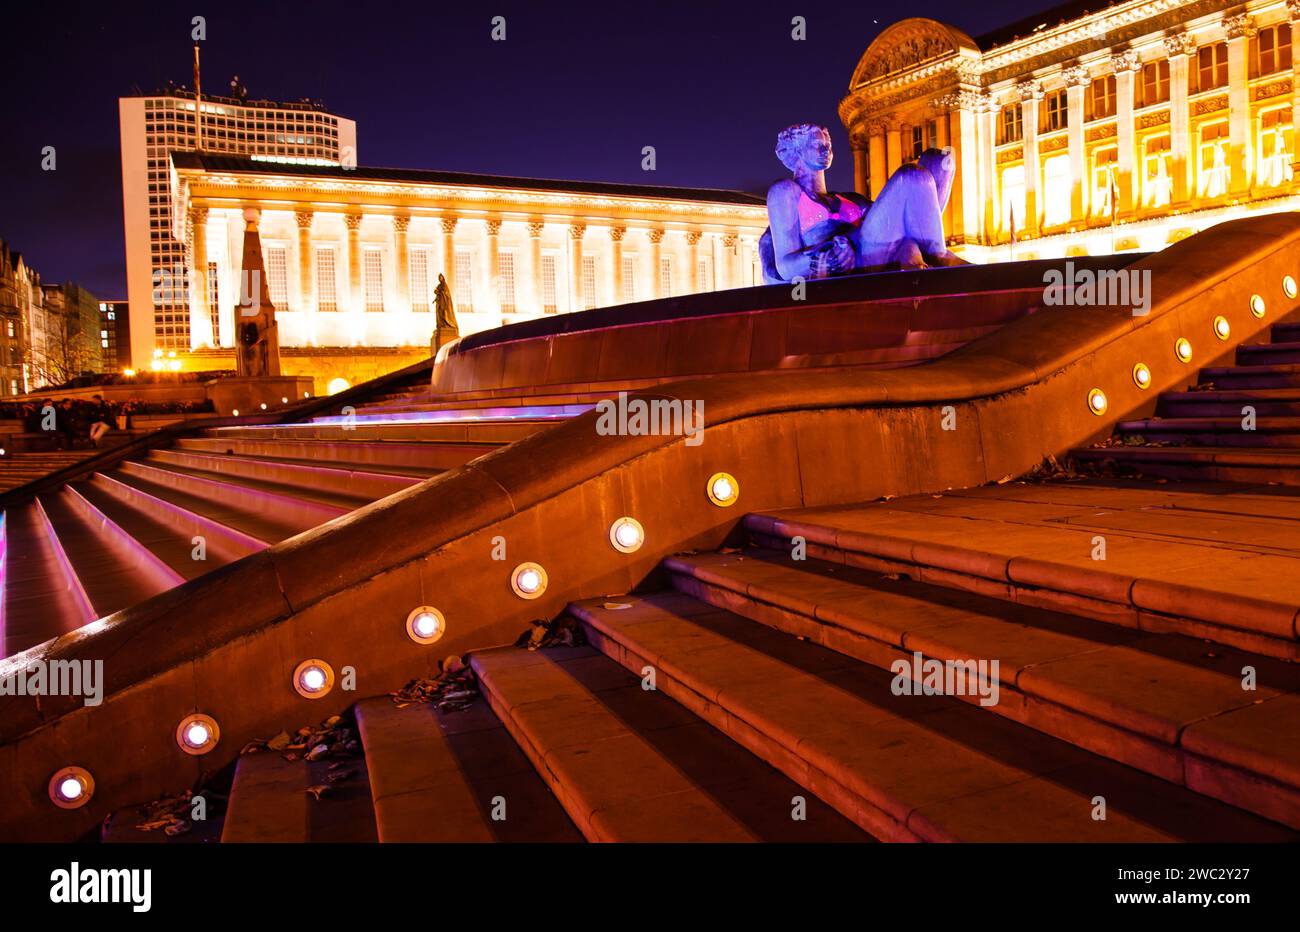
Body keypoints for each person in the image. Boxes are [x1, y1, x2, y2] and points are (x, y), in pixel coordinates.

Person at [760, 123, 968, 283]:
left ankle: (930, 254)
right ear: (796, 151)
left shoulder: (849, 198)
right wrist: (828, 257)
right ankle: (939, 256)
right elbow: (785, 267)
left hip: (874, 249)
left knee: (938, 162)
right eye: (817, 145)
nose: (826, 150)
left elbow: (900, 217)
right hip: (853, 261)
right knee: (911, 176)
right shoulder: (785, 191)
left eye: (828, 145)